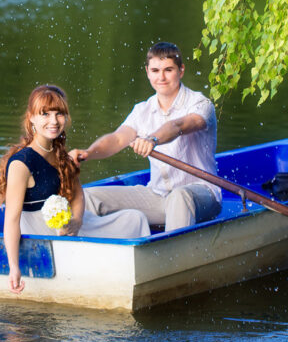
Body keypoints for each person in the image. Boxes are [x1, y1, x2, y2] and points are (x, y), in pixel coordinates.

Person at [0, 84, 149, 294]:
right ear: (31, 118)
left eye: (59, 114)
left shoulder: (61, 155)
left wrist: (76, 222)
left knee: (134, 218)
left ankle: (135, 278)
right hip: (40, 232)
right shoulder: (21, 164)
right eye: (45, 114)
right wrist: (14, 267)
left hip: (67, 227)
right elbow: (11, 219)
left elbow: (77, 195)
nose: (53, 121)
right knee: (135, 220)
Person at [70, 42, 221, 232]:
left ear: (181, 71)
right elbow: (117, 139)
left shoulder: (200, 103)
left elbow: (178, 125)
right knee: (89, 197)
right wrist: (88, 153)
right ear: (147, 72)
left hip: (202, 195)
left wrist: (152, 140)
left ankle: (172, 257)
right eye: (155, 70)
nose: (161, 77)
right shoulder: (142, 110)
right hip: (157, 195)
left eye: (168, 70)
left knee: (179, 197)